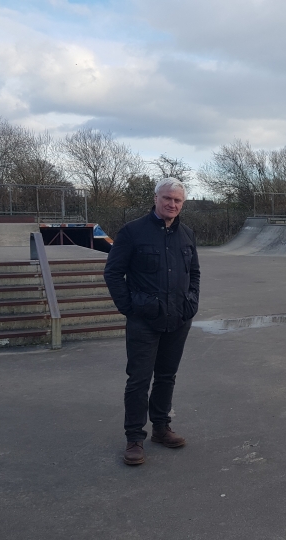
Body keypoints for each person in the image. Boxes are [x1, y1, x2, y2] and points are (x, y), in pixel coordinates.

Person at [104, 178, 200, 465]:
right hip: (144, 319)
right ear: (156, 199)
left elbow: (194, 273)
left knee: (167, 376)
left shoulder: (187, 234)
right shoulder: (133, 231)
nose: (172, 204)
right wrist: (130, 309)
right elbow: (113, 273)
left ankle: (161, 428)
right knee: (138, 380)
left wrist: (191, 303)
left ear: (183, 204)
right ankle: (134, 438)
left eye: (178, 200)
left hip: (178, 317)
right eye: (167, 198)